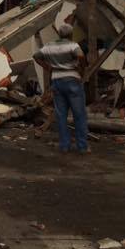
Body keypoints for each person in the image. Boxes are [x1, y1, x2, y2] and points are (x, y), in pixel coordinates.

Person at [34, 22, 89, 154]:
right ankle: (82, 147)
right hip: (72, 80)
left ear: (59, 33)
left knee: (61, 114)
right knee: (79, 114)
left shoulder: (49, 46)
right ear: (70, 34)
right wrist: (81, 69)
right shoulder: (73, 45)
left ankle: (64, 146)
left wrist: (48, 67)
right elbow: (80, 56)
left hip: (57, 81)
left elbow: (36, 56)